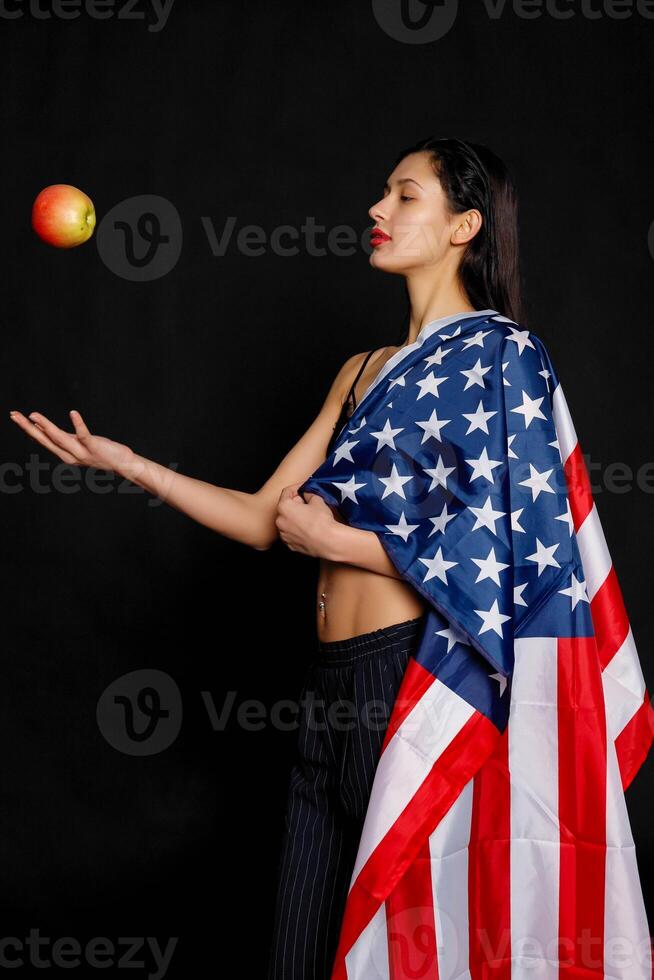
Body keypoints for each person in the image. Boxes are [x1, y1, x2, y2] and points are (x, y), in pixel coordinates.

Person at [9, 136, 525, 978]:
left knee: (405, 941)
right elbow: (259, 519)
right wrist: (130, 464)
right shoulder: (359, 372)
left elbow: (504, 549)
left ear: (466, 224)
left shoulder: (498, 357)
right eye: (382, 193)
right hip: (328, 683)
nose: (376, 211)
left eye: (403, 196)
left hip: (407, 684)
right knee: (302, 939)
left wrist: (340, 541)